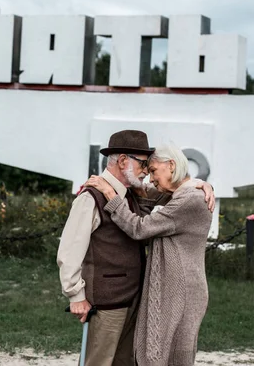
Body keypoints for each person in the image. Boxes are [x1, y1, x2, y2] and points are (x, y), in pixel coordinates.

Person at [57, 130, 214, 366]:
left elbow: (175, 194)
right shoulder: (92, 197)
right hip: (107, 300)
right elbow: (70, 251)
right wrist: (75, 295)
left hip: (134, 298)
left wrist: (201, 184)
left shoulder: (130, 195)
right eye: (144, 165)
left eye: (151, 168)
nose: (147, 173)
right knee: (99, 362)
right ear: (122, 161)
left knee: (126, 361)